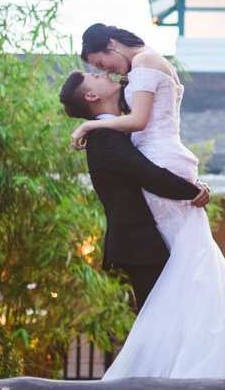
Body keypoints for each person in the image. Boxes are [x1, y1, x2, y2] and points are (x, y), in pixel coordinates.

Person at [67, 23, 225, 378]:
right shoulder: (142, 70)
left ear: (112, 45)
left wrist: (91, 126)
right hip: (161, 172)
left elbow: (140, 121)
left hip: (161, 164)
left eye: (100, 62)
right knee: (193, 259)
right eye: (96, 71)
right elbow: (142, 152)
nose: (105, 71)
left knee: (190, 262)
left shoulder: (144, 64)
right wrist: (193, 187)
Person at [59, 70, 210, 312]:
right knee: (162, 322)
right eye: (95, 75)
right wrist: (195, 192)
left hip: (150, 239)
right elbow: (150, 175)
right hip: (140, 244)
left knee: (174, 319)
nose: (104, 73)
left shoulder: (114, 130)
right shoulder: (102, 137)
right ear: (92, 95)